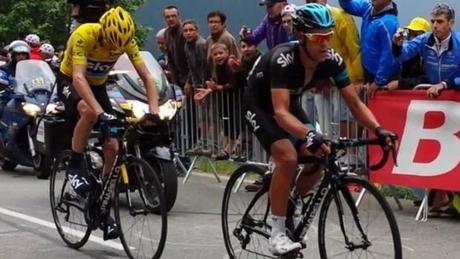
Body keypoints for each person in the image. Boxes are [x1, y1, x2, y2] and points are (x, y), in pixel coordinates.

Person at [242, 4, 397, 255]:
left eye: (329, 35)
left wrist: (379, 130)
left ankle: (288, 203)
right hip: (259, 103)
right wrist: (308, 133)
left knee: (321, 154)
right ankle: (277, 232)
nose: (326, 43)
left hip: (289, 101)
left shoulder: (331, 60)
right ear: (301, 37)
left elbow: (355, 105)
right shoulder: (285, 60)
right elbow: (279, 112)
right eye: (319, 37)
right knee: (287, 156)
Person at [57, 7, 160, 240]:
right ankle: (74, 164)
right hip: (70, 81)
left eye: (119, 47)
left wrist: (154, 111)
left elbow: (147, 78)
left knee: (113, 146)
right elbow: (79, 78)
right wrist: (100, 111)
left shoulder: (127, 41)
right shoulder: (85, 34)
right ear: (103, 31)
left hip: (98, 85)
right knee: (91, 113)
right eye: (111, 43)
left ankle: (102, 202)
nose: (114, 50)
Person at [392, 3, 460, 98]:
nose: (435, 26)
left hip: (454, 96)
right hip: (431, 94)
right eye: (433, 21)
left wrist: (445, 84)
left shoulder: (458, 42)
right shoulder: (424, 39)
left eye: (440, 21)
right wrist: (397, 45)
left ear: (451, 23)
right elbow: (402, 56)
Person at [339, 0, 399, 98]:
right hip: (368, 74)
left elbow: (388, 54)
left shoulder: (389, 22)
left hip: (384, 79)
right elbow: (347, 5)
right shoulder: (368, 7)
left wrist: (378, 82)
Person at [194, 43, 240, 160]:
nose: (218, 56)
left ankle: (231, 148)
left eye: (221, 53)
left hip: (234, 101)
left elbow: (233, 85)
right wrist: (208, 91)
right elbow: (218, 84)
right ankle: (226, 148)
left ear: (227, 53)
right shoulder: (218, 67)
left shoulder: (230, 67)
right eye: (215, 54)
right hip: (224, 101)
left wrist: (216, 88)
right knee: (226, 124)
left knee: (234, 124)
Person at [183, 19, 211, 156]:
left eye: (191, 30)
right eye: (186, 31)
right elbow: (191, 68)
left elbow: (204, 68)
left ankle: (208, 143)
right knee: (202, 116)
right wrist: (194, 86)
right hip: (197, 85)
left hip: (206, 85)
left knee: (209, 116)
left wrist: (203, 87)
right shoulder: (186, 46)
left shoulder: (201, 44)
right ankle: (202, 142)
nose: (188, 33)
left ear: (197, 31)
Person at [387, 17, 431, 90]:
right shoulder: (406, 54)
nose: (413, 38)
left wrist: (400, 83)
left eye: (416, 35)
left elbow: (427, 79)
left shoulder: (430, 55)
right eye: (410, 34)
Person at [206, 10, 240, 79]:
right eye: (211, 22)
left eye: (216, 22)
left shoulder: (228, 38)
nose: (213, 24)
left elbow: (237, 60)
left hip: (228, 82)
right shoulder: (209, 40)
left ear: (223, 23)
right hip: (214, 81)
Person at [163, 5, 189, 88]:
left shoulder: (185, 32)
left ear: (179, 17)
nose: (170, 19)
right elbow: (170, 59)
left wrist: (189, 82)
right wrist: (174, 82)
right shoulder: (166, 34)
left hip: (191, 79)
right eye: (167, 17)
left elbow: (192, 60)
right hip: (178, 80)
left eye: (173, 16)